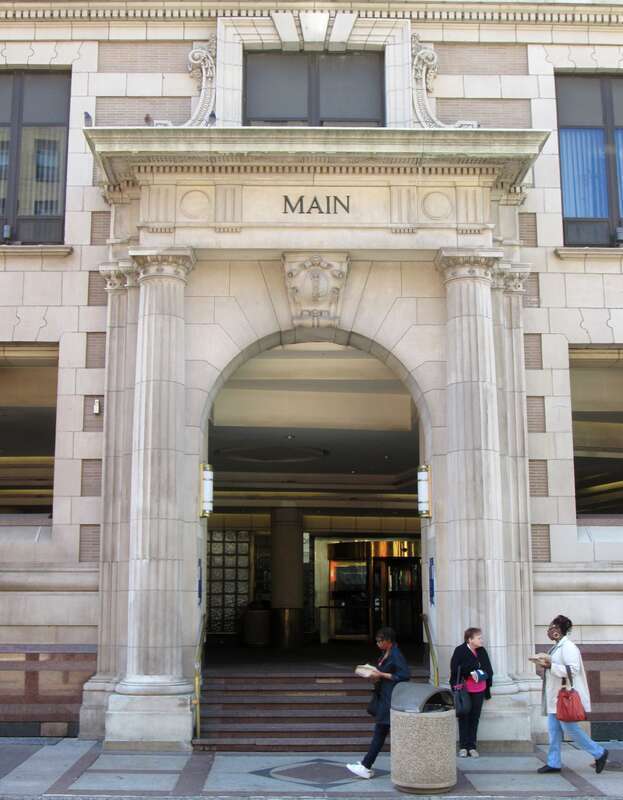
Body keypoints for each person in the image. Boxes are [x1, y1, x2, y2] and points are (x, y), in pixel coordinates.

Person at [534, 615, 608, 775]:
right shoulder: (558, 646)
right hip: (556, 697)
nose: (549, 630)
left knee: (571, 729)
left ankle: (599, 753)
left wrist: (549, 665)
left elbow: (572, 670)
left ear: (559, 630)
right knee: (554, 731)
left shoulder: (568, 647)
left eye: (552, 626)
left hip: (563, 696)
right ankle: (553, 762)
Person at [346, 627, 410, 779]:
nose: (378, 643)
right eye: (377, 641)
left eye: (380, 641)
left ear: (388, 641)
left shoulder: (396, 654)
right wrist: (374, 675)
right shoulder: (385, 653)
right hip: (383, 696)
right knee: (382, 733)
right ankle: (366, 765)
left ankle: (366, 765)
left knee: (381, 733)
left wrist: (381, 674)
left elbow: (404, 675)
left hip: (389, 699)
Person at [450, 627, 493, 758]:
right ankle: (463, 747)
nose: (481, 640)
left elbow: (489, 670)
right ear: (470, 639)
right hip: (465, 690)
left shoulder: (481, 651)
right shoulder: (460, 650)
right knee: (464, 716)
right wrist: (472, 670)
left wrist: (480, 672)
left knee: (475, 717)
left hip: (479, 689)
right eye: (479, 638)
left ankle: (472, 746)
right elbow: (455, 669)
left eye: (481, 637)